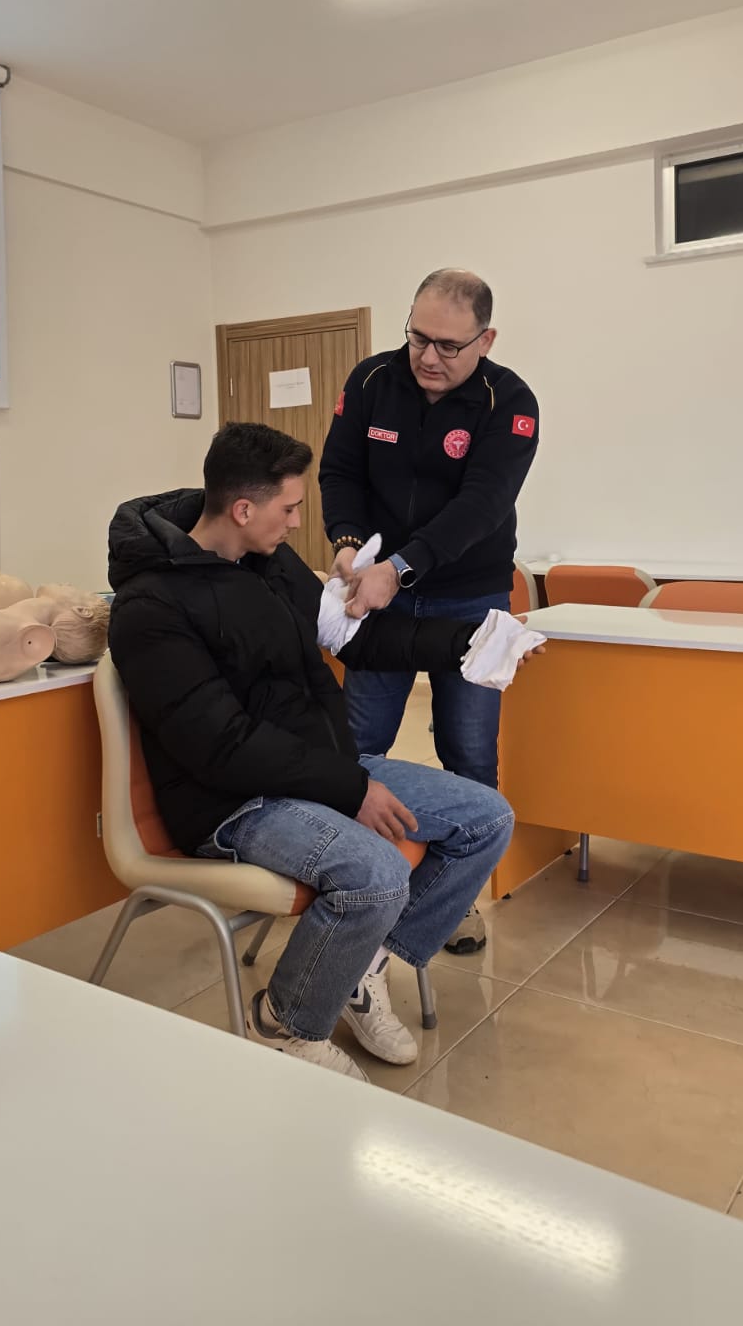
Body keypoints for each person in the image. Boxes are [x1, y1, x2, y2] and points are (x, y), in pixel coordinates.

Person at [107, 422, 519, 1083]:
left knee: (486, 818)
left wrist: (471, 640)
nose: (300, 523)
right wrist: (351, 789)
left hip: (317, 771)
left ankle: (357, 968)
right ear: (244, 510)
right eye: (290, 508)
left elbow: (360, 639)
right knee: (377, 871)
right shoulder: (149, 607)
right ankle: (286, 1024)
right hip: (233, 803)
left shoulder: (269, 565)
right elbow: (221, 746)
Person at [318, 268, 538, 954]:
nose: (428, 357)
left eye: (448, 345)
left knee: (468, 751)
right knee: (357, 745)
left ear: (485, 340)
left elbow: (482, 506)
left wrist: (401, 568)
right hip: (377, 595)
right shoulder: (371, 380)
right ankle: (343, 886)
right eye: (418, 338)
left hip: (469, 594)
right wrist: (349, 543)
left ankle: (452, 903)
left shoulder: (510, 401)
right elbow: (340, 471)